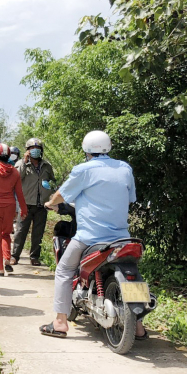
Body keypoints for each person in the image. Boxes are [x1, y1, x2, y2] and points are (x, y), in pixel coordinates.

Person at [38, 130, 144, 340]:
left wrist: (51, 203)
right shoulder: (124, 169)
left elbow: (62, 194)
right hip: (122, 238)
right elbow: (130, 198)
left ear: (86, 150)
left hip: (90, 237)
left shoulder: (84, 170)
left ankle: (60, 322)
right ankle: (139, 327)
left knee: (64, 270)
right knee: (135, 276)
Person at [0, 143, 27, 276]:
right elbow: (19, 193)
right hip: (10, 206)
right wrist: (23, 210)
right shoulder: (14, 171)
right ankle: (7, 259)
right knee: (6, 234)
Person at [12, 138, 55, 266]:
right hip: (26, 204)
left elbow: (53, 181)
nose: (35, 151)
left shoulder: (46, 166)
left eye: (37, 149)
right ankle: (15, 256)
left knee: (38, 233)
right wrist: (25, 162)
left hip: (41, 204)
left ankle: (34, 257)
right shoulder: (21, 163)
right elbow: (16, 178)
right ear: (27, 151)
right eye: (32, 149)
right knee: (20, 232)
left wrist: (50, 188)